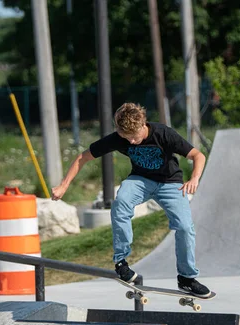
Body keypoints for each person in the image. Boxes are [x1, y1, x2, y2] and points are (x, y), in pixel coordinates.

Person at [51, 103, 211, 297]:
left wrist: (194, 178)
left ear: (143, 125)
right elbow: (82, 158)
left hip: (170, 183)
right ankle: (121, 262)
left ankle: (186, 278)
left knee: (185, 227)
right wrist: (63, 186)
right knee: (121, 203)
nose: (133, 142)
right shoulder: (119, 138)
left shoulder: (163, 133)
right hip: (140, 180)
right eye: (127, 139)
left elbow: (197, 155)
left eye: (135, 137)